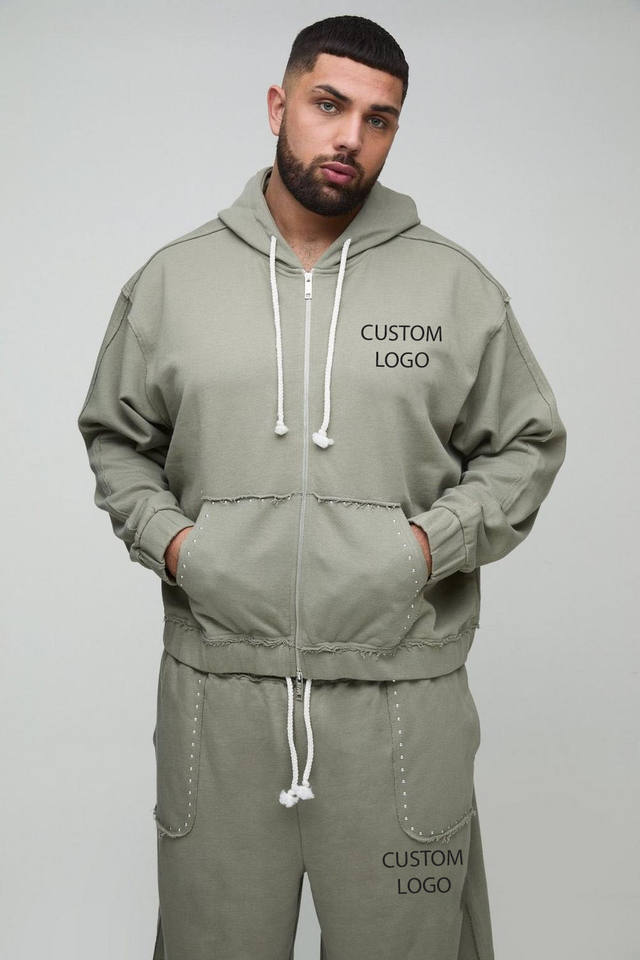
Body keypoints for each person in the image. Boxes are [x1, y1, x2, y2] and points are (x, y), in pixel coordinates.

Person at [77, 14, 567, 960]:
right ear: (279, 106)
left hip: (400, 704)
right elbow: (116, 439)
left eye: (380, 120)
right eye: (329, 105)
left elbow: (527, 445)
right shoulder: (174, 282)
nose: (351, 137)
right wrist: (181, 548)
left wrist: (422, 549)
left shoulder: (455, 288)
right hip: (220, 699)